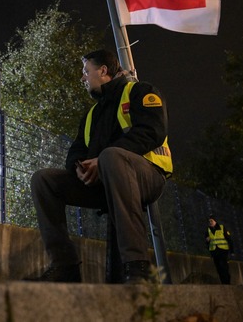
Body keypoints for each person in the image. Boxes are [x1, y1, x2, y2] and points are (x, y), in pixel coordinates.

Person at [28, 49, 172, 283]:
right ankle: (65, 267)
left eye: (86, 72)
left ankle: (136, 266)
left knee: (111, 157)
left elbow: (152, 131)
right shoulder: (91, 114)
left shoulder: (140, 92)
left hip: (146, 177)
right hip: (103, 182)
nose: (83, 78)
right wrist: (79, 168)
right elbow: (76, 150)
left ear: (103, 70)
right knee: (43, 179)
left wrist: (102, 160)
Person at [205, 214, 232, 284]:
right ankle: (224, 282)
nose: (210, 222)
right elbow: (206, 240)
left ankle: (227, 282)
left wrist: (232, 251)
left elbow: (229, 239)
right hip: (214, 252)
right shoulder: (208, 230)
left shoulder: (222, 227)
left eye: (211, 220)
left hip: (223, 251)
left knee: (223, 266)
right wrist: (207, 240)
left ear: (215, 221)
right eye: (209, 221)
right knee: (218, 268)